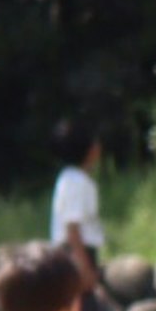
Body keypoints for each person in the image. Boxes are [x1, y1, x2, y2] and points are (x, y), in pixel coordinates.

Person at [45, 118, 105, 277]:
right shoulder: (77, 182)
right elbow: (72, 229)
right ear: (91, 150)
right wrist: (85, 269)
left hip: (75, 253)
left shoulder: (70, 179)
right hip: (75, 254)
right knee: (86, 302)